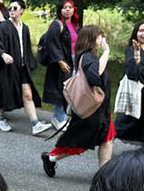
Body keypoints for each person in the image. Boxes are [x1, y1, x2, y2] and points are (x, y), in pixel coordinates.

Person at [41, 25, 115, 176]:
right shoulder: (87, 57)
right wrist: (106, 53)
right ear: (92, 39)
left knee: (107, 139)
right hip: (92, 111)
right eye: (100, 37)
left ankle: (104, 174)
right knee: (79, 143)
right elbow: (94, 76)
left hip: (99, 110)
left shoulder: (88, 56)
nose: (102, 40)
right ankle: (51, 158)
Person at [0, 0, 51, 135]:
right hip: (6, 67)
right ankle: (1, 119)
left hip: (21, 67)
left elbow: (27, 48)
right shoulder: (2, 27)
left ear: (22, 10)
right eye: (9, 8)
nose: (11, 11)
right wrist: (3, 54)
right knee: (3, 92)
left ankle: (35, 125)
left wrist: (30, 64)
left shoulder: (25, 28)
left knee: (28, 95)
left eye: (14, 8)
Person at [114, 21, 144, 149]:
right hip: (139, 93)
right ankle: (107, 139)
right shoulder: (131, 50)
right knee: (130, 122)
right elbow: (132, 74)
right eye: (141, 30)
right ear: (136, 33)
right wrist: (136, 55)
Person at [40, 0, 79, 130]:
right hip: (62, 62)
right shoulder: (57, 25)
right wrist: (60, 61)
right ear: (60, 10)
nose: (67, 10)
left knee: (70, 90)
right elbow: (52, 43)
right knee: (65, 91)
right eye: (64, 7)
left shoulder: (74, 25)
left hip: (74, 61)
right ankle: (59, 119)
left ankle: (59, 117)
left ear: (74, 10)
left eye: (70, 7)